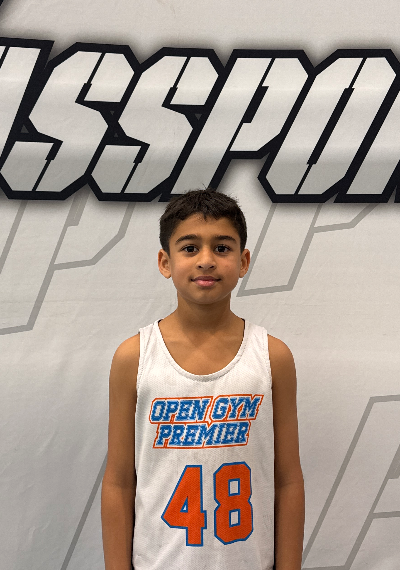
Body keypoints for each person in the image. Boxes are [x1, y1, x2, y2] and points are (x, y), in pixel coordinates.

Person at [101, 188, 305, 570]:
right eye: (190, 248)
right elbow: (118, 482)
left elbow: (288, 480)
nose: (206, 260)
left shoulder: (272, 357)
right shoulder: (134, 358)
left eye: (222, 248)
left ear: (243, 261)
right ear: (165, 262)